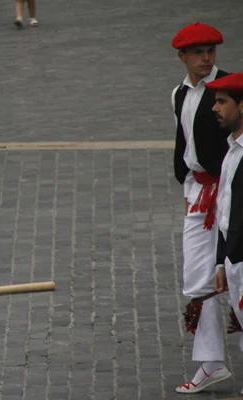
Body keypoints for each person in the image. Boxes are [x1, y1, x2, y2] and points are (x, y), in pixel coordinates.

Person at [170, 22, 232, 394]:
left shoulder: (229, 90)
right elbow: (184, 139)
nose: (206, 58)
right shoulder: (178, 93)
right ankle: (212, 363)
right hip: (198, 193)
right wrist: (187, 184)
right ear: (182, 57)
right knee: (196, 278)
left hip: (228, 191)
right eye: (198, 52)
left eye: (211, 50)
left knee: (236, 273)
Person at [211, 72, 243, 396]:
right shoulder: (231, 150)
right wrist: (221, 262)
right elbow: (224, 210)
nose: (214, 108)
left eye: (222, 102)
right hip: (234, 262)